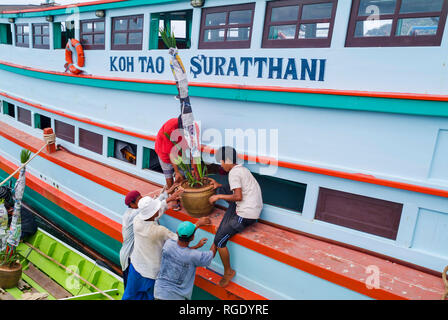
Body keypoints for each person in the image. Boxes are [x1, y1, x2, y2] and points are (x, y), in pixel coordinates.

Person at [208, 146, 263, 287]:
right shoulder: (242, 169)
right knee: (228, 201)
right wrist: (219, 186)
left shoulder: (233, 173)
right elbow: (236, 191)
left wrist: (218, 195)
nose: (221, 165)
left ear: (226, 160)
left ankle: (228, 271)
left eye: (221, 162)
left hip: (246, 216)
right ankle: (215, 242)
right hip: (253, 209)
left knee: (220, 241)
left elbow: (238, 196)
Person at [120, 184, 181, 288]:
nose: (142, 201)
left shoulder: (137, 213)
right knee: (130, 288)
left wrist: (167, 193)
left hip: (139, 259)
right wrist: (170, 197)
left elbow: (152, 207)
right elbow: (152, 208)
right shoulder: (133, 216)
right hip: (129, 257)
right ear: (132, 204)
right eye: (140, 200)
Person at [154, 220, 217, 300]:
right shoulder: (193, 255)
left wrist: (196, 246)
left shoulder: (168, 244)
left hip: (159, 292)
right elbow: (211, 254)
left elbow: (182, 251)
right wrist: (218, 237)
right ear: (193, 237)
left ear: (177, 233)